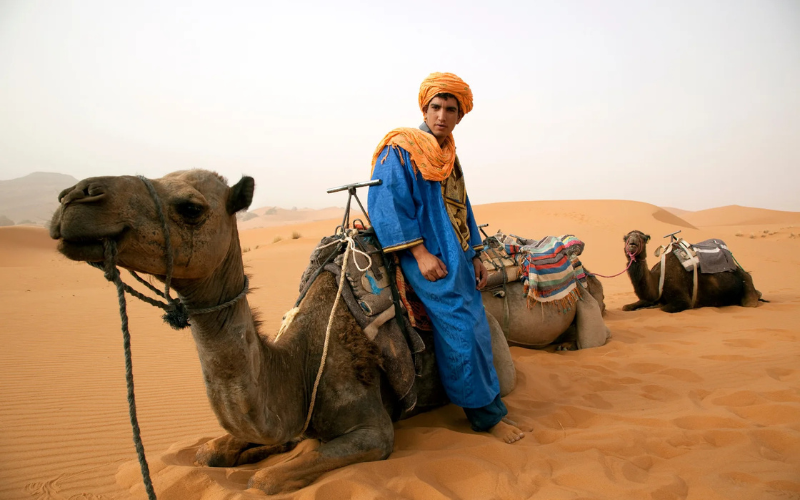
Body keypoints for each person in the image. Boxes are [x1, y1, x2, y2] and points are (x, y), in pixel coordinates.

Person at [367, 72, 524, 444]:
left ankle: (490, 403)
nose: (442, 115)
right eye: (435, 107)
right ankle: (486, 418)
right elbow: (388, 205)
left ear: (459, 115)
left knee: (478, 324)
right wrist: (419, 254)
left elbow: (462, 207)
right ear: (425, 108)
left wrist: (474, 255)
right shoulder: (401, 148)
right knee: (460, 326)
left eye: (450, 109)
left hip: (456, 254)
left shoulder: (449, 154)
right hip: (422, 253)